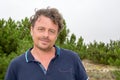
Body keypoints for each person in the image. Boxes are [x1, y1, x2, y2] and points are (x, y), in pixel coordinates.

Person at [5, 7, 89, 80]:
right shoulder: (16, 65)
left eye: (51, 31)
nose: (46, 35)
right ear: (31, 30)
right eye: (41, 29)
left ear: (57, 34)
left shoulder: (72, 59)